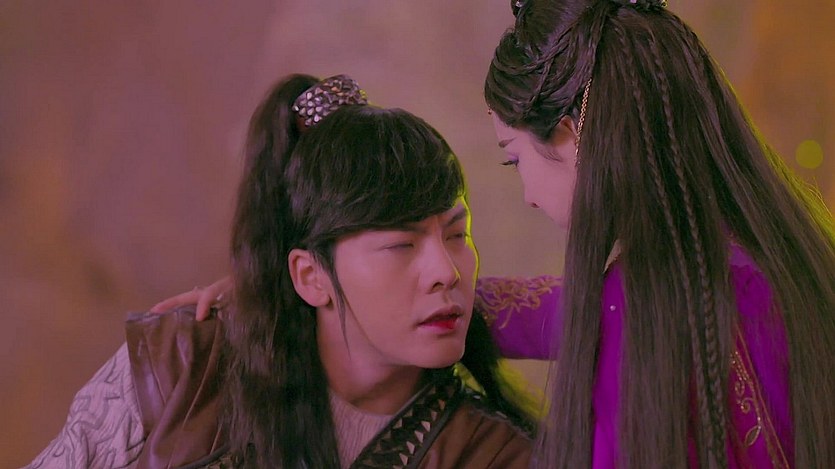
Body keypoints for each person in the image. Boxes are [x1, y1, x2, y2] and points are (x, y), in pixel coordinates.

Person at [165, 1, 835, 468]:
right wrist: (304, 287)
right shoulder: (777, 271)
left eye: (514, 159)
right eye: (400, 243)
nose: (527, 196)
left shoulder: (636, 303)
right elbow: (511, 307)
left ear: (574, 134)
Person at [26, 74, 536, 468]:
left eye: (457, 235)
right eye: (401, 244)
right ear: (311, 277)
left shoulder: (494, 454)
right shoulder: (184, 365)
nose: (445, 271)